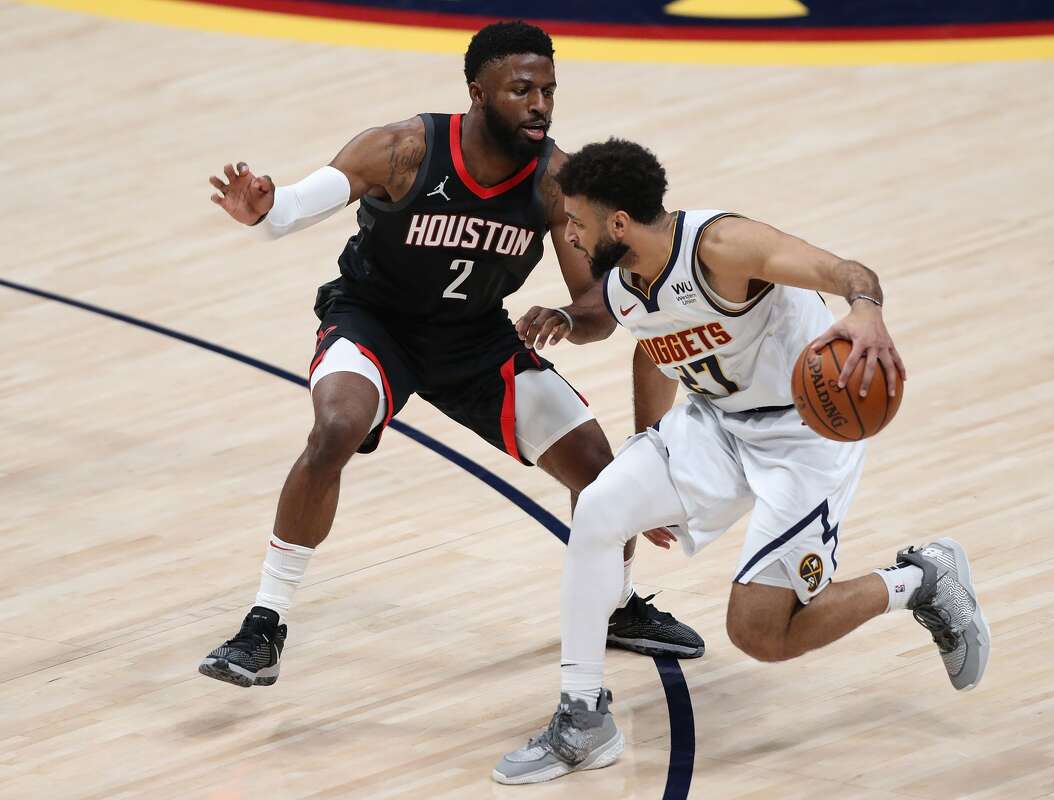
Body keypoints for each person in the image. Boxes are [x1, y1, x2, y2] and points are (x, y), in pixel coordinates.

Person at [198, 23, 703, 690]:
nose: (540, 104)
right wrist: (264, 209)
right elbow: (293, 205)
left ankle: (615, 604)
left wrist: (564, 318)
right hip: (376, 321)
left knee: (601, 476)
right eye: (521, 89)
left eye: (549, 90)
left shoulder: (556, 180)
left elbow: (597, 308)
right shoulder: (402, 149)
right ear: (478, 92)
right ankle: (264, 623)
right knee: (337, 428)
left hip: (475, 339)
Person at [495, 139, 990, 784]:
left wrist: (865, 313)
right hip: (716, 424)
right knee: (600, 509)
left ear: (618, 225)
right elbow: (652, 349)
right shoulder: (625, 285)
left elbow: (847, 270)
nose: (568, 233)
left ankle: (920, 581)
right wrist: (652, 458)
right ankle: (583, 716)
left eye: (576, 222)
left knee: (762, 634)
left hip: (805, 435)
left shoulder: (719, 248)